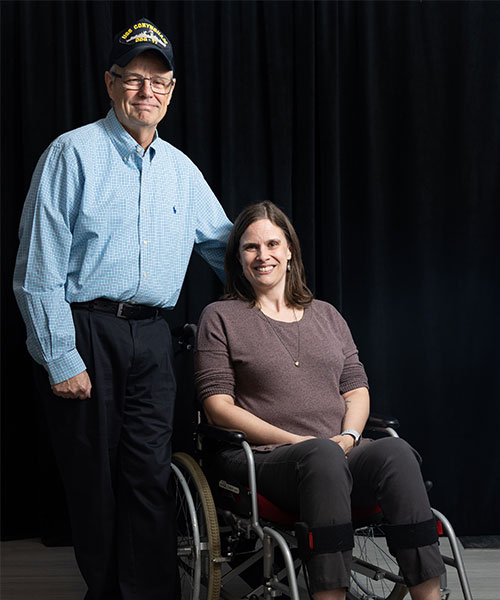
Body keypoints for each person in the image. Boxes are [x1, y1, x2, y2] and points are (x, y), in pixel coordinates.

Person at [13, 17, 232, 600]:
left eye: (158, 83)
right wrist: (61, 357)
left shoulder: (182, 172)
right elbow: (38, 270)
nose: (146, 93)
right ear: (110, 84)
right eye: (134, 80)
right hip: (87, 333)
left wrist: (285, 296)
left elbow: (223, 247)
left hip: (154, 341)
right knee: (95, 485)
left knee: (147, 479)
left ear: (172, 90)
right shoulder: (71, 154)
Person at [194, 201, 446, 600]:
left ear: (290, 250)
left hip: (336, 450)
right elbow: (218, 408)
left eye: (272, 244)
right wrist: (304, 444)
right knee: (322, 457)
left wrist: (347, 437)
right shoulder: (220, 317)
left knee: (395, 453)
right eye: (250, 247)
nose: (263, 256)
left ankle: (427, 595)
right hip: (265, 459)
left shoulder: (326, 315)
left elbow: (357, 388)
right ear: (237, 257)